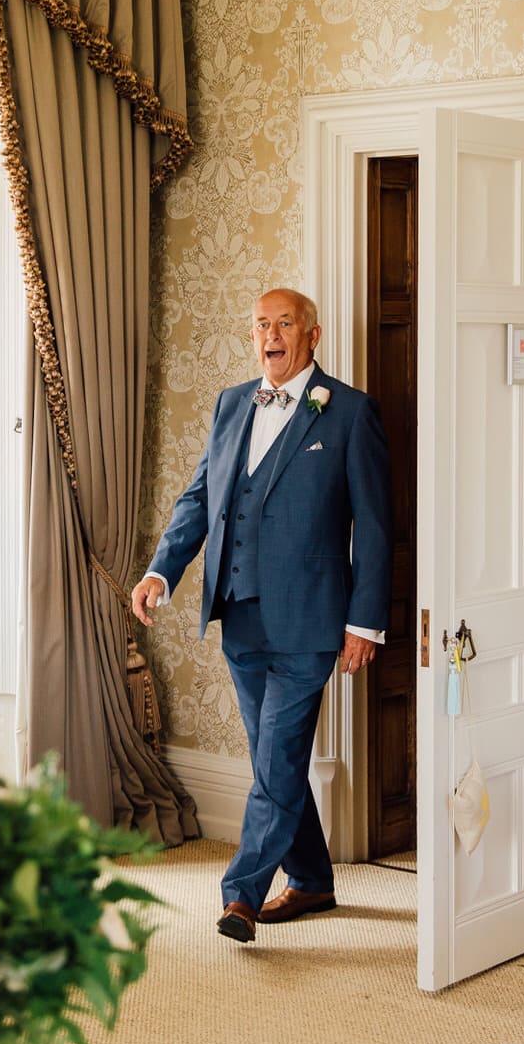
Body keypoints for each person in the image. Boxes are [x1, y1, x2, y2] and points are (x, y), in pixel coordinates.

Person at [131, 288, 390, 943]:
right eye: (259, 325)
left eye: (283, 324)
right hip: (240, 616)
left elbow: (378, 526)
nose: (269, 334)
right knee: (276, 759)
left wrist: (365, 620)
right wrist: (164, 567)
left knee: (274, 760)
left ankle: (240, 895)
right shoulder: (232, 402)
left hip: (310, 620)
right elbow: (200, 497)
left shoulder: (350, 412)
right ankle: (312, 880)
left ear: (312, 335)